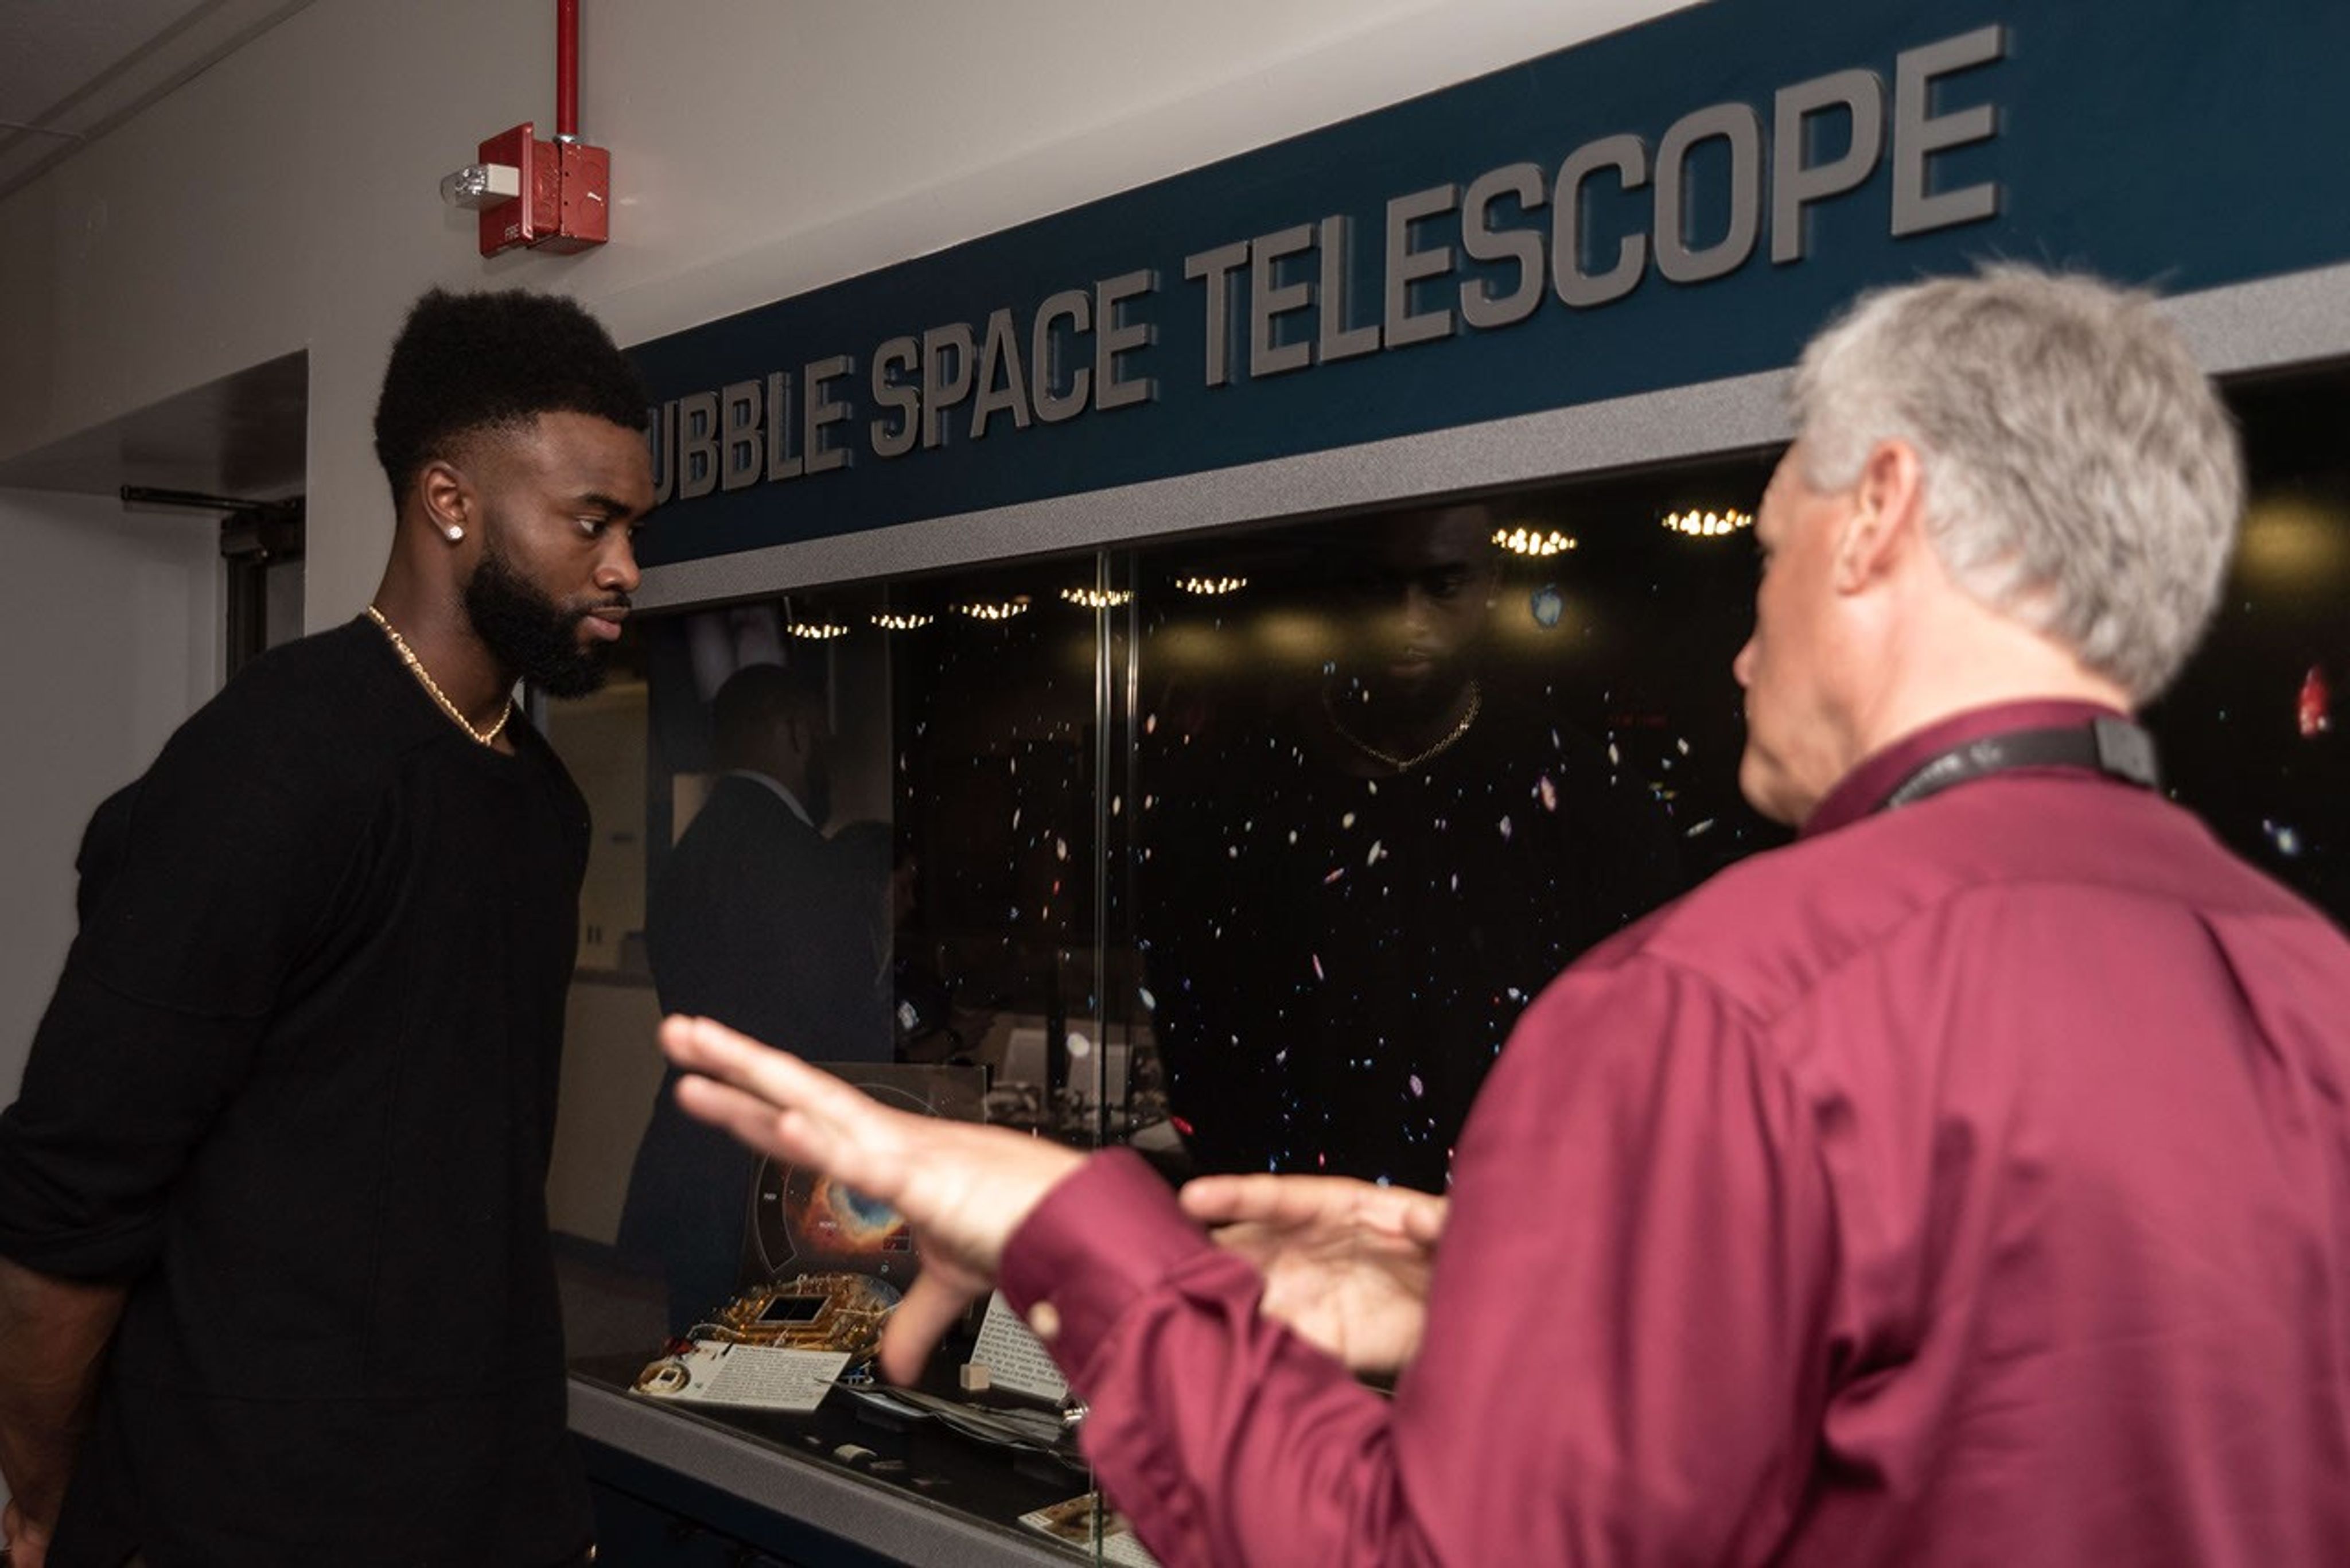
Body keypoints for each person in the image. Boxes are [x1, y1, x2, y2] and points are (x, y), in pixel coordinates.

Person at [656, 264, 2350, 1566]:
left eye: (1765, 551)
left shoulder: (1716, 1004)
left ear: (1881, 515)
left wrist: (1090, 1239)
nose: (1744, 643)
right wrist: (1530, 1298)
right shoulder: (2313, 989)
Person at [0, 288, 655, 1567]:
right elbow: (67, 1209)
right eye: (592, 521)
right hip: (248, 1518)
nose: (625, 564)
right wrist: (48, 1496)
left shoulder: (542, 803)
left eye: (632, 527)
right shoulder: (270, 768)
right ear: (450, 501)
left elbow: (472, 1200)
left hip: (484, 1510)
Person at [1142, 503, 1680, 1187]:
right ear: (1343, 590)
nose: (1408, 620)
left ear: (1490, 585)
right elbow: (1193, 1032)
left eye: (1442, 585)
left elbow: (1642, 1049)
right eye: (1380, 586)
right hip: (1290, 1224)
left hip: (1515, 1224)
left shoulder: (1582, 793)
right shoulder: (1236, 790)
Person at [617, 662, 890, 1329]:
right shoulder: (810, 864)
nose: (825, 755)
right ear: (796, 733)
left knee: (695, 1361)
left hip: (692, 1162)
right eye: (821, 738)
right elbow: (846, 1032)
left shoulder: (687, 857)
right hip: (781, 1185)